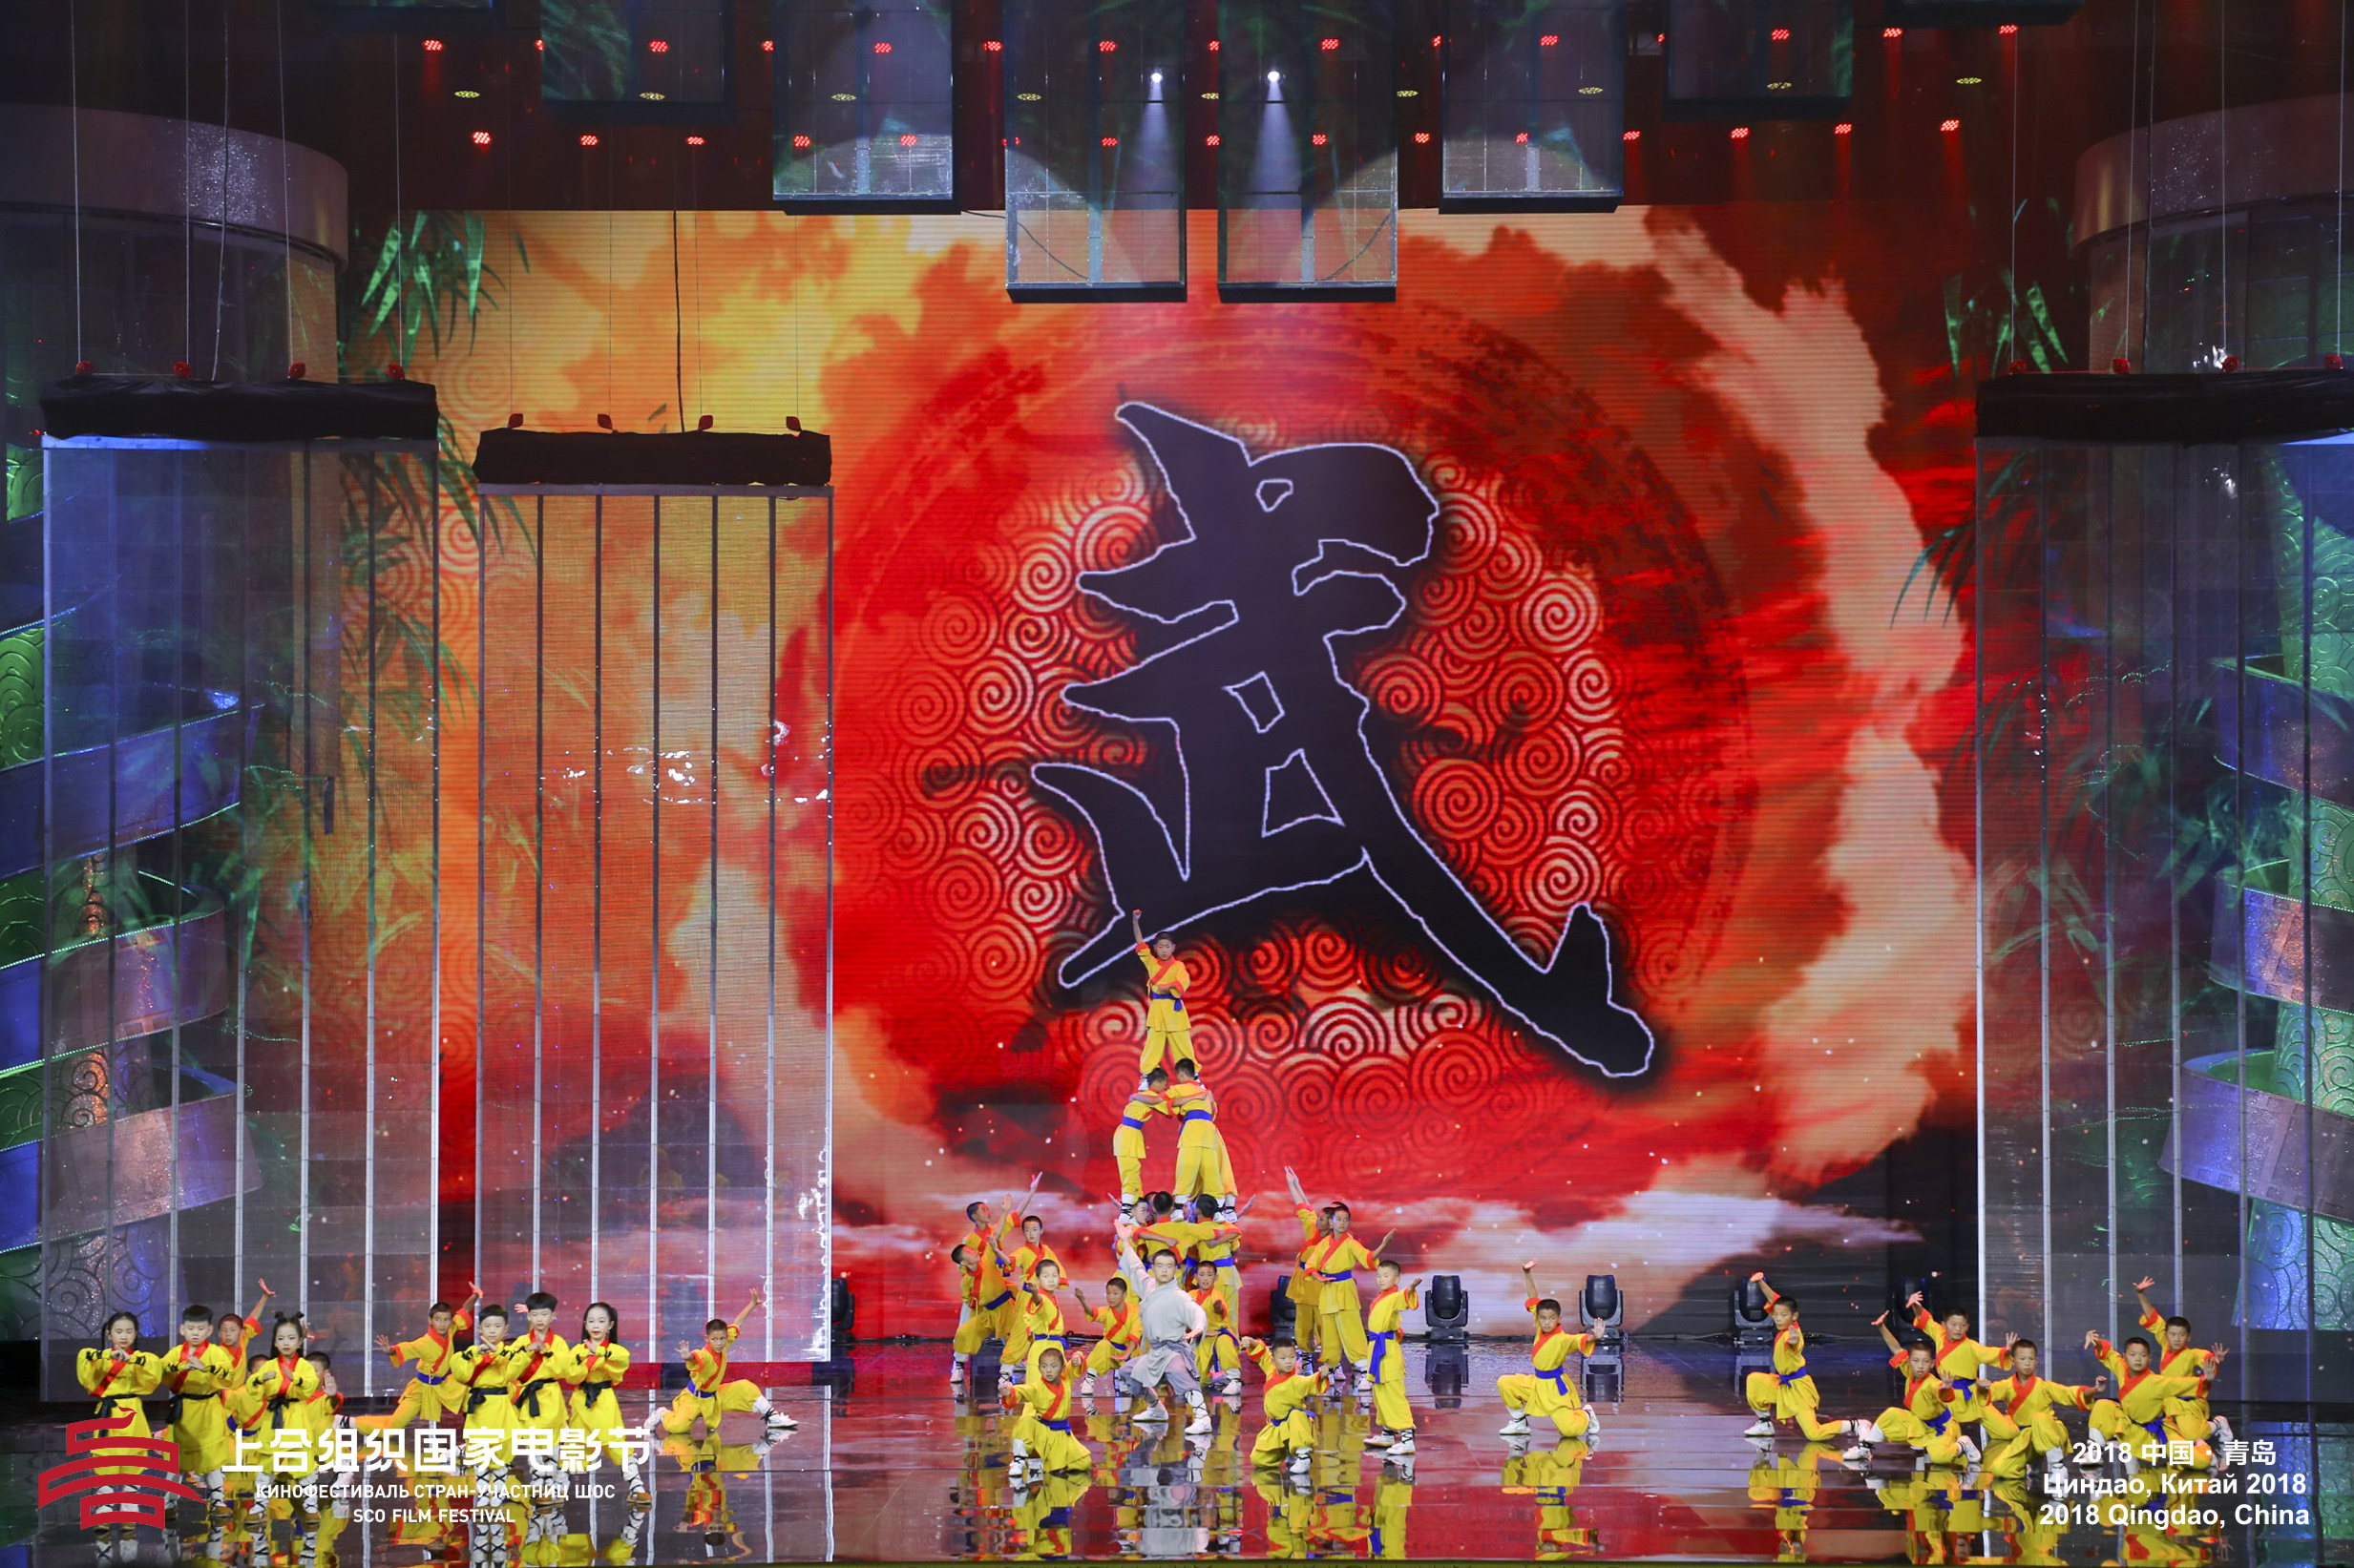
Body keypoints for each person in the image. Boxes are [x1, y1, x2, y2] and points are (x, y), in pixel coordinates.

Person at [1114, 1221, 1215, 1435]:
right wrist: (1125, 1241)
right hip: (1156, 1352)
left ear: (1175, 1270)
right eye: (1160, 1266)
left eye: (1169, 1266)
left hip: (1174, 1351)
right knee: (1128, 1372)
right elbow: (1135, 1267)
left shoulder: (1179, 1296)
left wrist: (1197, 1328)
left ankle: (1202, 1417)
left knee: (1179, 1374)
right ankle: (1156, 1408)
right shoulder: (1149, 1286)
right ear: (1154, 1268)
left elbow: (1197, 1312)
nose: (1164, 1270)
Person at [657, 1289, 796, 1436]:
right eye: (714, 1339)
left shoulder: (723, 1344)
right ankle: (662, 1414)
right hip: (694, 1399)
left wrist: (752, 1304)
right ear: (707, 1339)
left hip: (715, 1396)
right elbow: (696, 1357)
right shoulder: (705, 1354)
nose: (719, 1343)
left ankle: (773, 1418)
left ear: (725, 1337)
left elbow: (737, 1323)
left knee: (746, 1388)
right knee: (677, 1428)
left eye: (722, 1339)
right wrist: (688, 1356)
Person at [1739, 1274, 1858, 1444]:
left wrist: (1794, 1340)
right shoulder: (1784, 1324)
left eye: (1783, 1315)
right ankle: (1765, 1424)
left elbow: (1794, 1343)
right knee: (1754, 1380)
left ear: (1794, 1316)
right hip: (1782, 1385)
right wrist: (1759, 1282)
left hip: (1797, 1390)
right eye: (1776, 1315)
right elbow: (1774, 1299)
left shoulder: (1793, 1334)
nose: (1778, 1318)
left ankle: (1855, 1425)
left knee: (1814, 1434)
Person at [2082, 1329, 2223, 1472]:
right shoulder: (2121, 1367)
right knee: (2102, 1406)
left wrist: (2206, 1379)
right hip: (2128, 1425)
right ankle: (2094, 1451)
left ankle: (2203, 1440)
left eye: (2143, 1355)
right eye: (2133, 1355)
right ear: (2125, 1357)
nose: (2138, 1359)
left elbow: (2183, 1384)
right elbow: (2109, 1354)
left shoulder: (2157, 1382)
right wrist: (2097, 1342)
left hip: (2155, 1433)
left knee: (2202, 1462)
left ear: (2149, 1359)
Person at [950, 1175, 1041, 1390]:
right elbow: (965, 1268)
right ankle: (958, 1364)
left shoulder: (993, 1237)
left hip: (998, 1287)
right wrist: (975, 1280)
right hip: (979, 1292)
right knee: (965, 1331)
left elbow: (1011, 1219)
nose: (987, 1211)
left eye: (987, 1209)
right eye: (983, 1210)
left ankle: (1016, 1360)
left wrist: (1031, 1191)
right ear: (974, 1216)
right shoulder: (969, 1242)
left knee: (1014, 1329)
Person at [76, 1309, 165, 1534]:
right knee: (105, 1461)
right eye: (118, 1331)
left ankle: (129, 1511)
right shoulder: (99, 1357)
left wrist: (132, 1359)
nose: (124, 1336)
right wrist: (108, 1356)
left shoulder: (142, 1358)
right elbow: (84, 1363)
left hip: (132, 1413)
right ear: (109, 1334)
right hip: (109, 1414)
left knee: (133, 1463)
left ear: (135, 1334)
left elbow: (154, 1371)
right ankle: (104, 1511)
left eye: (129, 1331)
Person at [1844, 1314, 1972, 1467]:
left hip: (1940, 1429)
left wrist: (1945, 1388)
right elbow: (1896, 1348)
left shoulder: (1932, 1383)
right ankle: (1865, 1449)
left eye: (1925, 1362)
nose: (1920, 1366)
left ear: (1932, 1364)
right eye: (1916, 1361)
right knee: (1891, 1415)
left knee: (1940, 1458)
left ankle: (1963, 1444)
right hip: (1919, 1424)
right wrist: (1881, 1327)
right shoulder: (1910, 1372)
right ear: (1909, 1361)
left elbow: (1942, 1394)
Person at [1298, 1192, 1395, 1392]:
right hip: (1327, 1292)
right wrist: (1318, 1276)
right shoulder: (1323, 1244)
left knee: (1352, 1333)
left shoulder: (1350, 1243)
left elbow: (1368, 1258)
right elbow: (1310, 1264)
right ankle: (1330, 1370)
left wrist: (1383, 1245)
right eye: (1338, 1219)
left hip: (1344, 1291)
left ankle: (1366, 1372)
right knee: (1329, 1336)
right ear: (1331, 1222)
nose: (1342, 1223)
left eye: (1345, 1220)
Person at [1496, 1265, 1600, 1445]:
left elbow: (1578, 1340)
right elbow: (1533, 1296)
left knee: (1569, 1432)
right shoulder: (1540, 1325)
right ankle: (1520, 1423)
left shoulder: (1562, 1339)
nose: (1546, 1322)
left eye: (1551, 1318)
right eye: (1543, 1318)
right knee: (1505, 1383)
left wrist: (1594, 1337)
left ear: (1559, 1319)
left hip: (1554, 1390)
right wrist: (1527, 1273)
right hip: (1537, 1384)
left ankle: (1586, 1415)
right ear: (1538, 1318)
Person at [1975, 1337, 2103, 1481]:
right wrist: (1983, 1388)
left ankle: (2058, 1467)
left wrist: (2095, 1390)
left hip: (2049, 1432)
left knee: (2039, 1418)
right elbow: (1989, 1393)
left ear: (2037, 1361)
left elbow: (2070, 1393)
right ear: (2014, 1361)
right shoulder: (2007, 1386)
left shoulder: (2045, 1386)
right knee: (2000, 1470)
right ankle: (2031, 1463)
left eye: (2031, 1359)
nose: (2027, 1363)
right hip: (2026, 1439)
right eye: (2022, 1359)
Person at [362, 1284, 482, 1432]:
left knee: (468, 1382)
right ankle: (350, 1422)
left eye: (446, 1320)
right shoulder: (425, 1343)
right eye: (438, 1320)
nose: (443, 1324)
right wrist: (389, 1350)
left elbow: (464, 1310)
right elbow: (406, 1348)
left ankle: (472, 1430)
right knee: (390, 1430)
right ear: (430, 1321)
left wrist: (476, 1294)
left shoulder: (451, 1329)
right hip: (421, 1389)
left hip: (443, 1386)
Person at [2131, 1276, 2233, 1447]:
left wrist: (2215, 1360)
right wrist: (2140, 1293)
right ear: (2166, 1335)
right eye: (2173, 1334)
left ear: (2188, 1337)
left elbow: (2206, 1357)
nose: (2177, 1339)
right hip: (2166, 1399)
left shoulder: (2191, 1354)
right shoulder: (2165, 1343)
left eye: (2182, 1335)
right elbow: (2152, 1316)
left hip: (2186, 1403)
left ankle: (2218, 1424)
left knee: (2193, 1435)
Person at [161, 1303, 239, 1521]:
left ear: (209, 1330)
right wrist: (181, 1367)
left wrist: (205, 1368)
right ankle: (169, 1503)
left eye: (200, 1328)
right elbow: (160, 1370)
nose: (195, 1333)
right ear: (182, 1329)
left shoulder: (216, 1353)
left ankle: (218, 1502)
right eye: (190, 1328)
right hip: (184, 1411)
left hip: (209, 1410)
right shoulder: (176, 1353)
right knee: (177, 1460)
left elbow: (228, 1375)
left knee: (212, 1458)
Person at [565, 1302, 647, 1505]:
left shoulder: (615, 1350)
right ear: (585, 1324)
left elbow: (622, 1361)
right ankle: (558, 1490)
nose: (596, 1325)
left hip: (604, 1401)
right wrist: (588, 1360)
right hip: (582, 1401)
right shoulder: (577, 1350)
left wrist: (599, 1355)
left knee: (616, 1444)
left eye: (601, 1321)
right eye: (591, 1321)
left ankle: (637, 1487)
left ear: (610, 1325)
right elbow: (571, 1375)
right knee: (574, 1447)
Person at [1904, 1290, 2010, 1426]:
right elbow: (1925, 1319)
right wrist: (1915, 1304)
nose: (1958, 1329)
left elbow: (1991, 1353)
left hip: (1972, 1395)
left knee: (2008, 1432)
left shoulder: (1972, 1347)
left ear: (1967, 1327)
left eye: (1962, 1325)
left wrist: (2007, 1351)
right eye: (1953, 1324)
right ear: (1944, 1325)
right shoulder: (1939, 1334)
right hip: (1947, 1394)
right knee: (1945, 1430)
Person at [506, 1290, 574, 1475]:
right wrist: (527, 1351)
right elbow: (510, 1371)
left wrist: (547, 1353)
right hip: (529, 1398)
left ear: (553, 1316)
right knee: (534, 1444)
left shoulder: (558, 1343)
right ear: (528, 1316)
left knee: (554, 1443)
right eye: (535, 1314)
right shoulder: (521, 1342)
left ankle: (554, 1480)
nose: (540, 1319)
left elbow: (563, 1370)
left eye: (544, 1314)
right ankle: (538, 1479)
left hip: (551, 1397)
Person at [1000, 1345, 1091, 1481]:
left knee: (1084, 1463)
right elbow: (1020, 1391)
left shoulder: (1066, 1378)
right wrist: (1008, 1391)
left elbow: (1074, 1363)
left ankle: (1048, 1462)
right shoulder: (1037, 1388)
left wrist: (1077, 1357)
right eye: (1044, 1366)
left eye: (1053, 1366)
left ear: (1061, 1367)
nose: (1048, 1370)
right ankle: (1019, 1460)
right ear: (1039, 1369)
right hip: (1042, 1432)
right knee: (1026, 1422)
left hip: (1062, 1435)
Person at [1362, 1261, 1421, 1455]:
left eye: (1386, 1276)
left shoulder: (1395, 1297)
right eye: (1379, 1275)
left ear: (1396, 1279)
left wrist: (1410, 1289)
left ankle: (1407, 1439)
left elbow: (1405, 1299)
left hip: (1387, 1351)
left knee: (1394, 1394)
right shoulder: (1380, 1299)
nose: (1381, 1279)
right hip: (1376, 1349)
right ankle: (1388, 1434)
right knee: (1381, 1394)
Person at [1160, 1060, 1235, 1214]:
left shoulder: (1179, 1089)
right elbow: (1212, 1112)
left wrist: (1184, 1103)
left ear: (1181, 1074)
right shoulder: (1206, 1092)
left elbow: (1162, 1102)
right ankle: (1220, 1211)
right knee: (1212, 1172)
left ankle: (1179, 1209)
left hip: (1193, 1133)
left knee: (1187, 1169)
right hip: (1209, 1134)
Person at [1239, 1335, 1319, 1474]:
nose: (1288, 1361)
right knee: (1258, 1460)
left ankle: (1303, 1456)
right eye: (1283, 1358)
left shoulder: (1298, 1381)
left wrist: (1322, 1375)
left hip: (1295, 1425)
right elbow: (1263, 1354)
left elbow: (1313, 1381)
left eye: (1292, 1357)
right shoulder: (1271, 1370)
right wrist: (1251, 1342)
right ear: (1274, 1360)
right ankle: (1286, 1451)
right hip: (1276, 1427)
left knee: (1297, 1413)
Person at [1129, 909, 1194, 1079]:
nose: (1164, 950)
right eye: (1161, 947)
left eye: (1167, 947)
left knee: (1183, 1046)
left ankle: (1192, 1077)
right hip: (1157, 1010)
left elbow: (1184, 980)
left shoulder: (1178, 966)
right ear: (1155, 948)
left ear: (1173, 948)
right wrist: (1135, 922)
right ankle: (1147, 1076)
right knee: (1153, 1046)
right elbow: (1140, 943)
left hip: (1175, 1010)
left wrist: (1169, 986)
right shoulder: (1151, 963)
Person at [1003, 1258, 1073, 1388]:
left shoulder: (1052, 1297)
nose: (1051, 1280)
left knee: (1056, 1391)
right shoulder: (1042, 1297)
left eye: (1054, 1276)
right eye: (1046, 1276)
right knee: (1038, 1390)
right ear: (1038, 1279)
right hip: (1042, 1349)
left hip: (1054, 1348)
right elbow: (1039, 1302)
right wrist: (1035, 1293)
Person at [1072, 1276, 1140, 1397]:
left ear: (1124, 1295)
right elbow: (1093, 1313)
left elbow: (1136, 1333)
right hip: (1111, 1352)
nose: (1111, 1297)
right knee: (1102, 1345)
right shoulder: (1106, 1311)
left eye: (1115, 1294)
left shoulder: (1135, 1311)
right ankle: (1089, 1380)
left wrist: (1126, 1354)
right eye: (1108, 1293)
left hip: (1129, 1352)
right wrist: (1083, 1301)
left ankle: (1125, 1379)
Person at [1115, 1073, 1174, 1209]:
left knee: (1132, 1173)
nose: (1166, 1087)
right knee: (1131, 1173)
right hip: (1128, 1134)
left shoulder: (1145, 1095)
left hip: (1126, 1133)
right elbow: (1170, 1111)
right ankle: (1127, 1210)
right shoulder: (1151, 1096)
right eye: (1164, 1084)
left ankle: (1134, 1205)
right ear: (1157, 1083)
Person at [1188, 1261, 1243, 1395]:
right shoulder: (1191, 1295)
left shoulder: (1216, 1294)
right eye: (1202, 1275)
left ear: (1216, 1277)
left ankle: (1234, 1380)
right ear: (1196, 1277)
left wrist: (1218, 1308)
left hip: (1217, 1336)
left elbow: (1220, 1307)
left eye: (1209, 1275)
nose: (1205, 1278)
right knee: (1199, 1382)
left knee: (1225, 1342)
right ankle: (1214, 1377)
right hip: (1200, 1339)